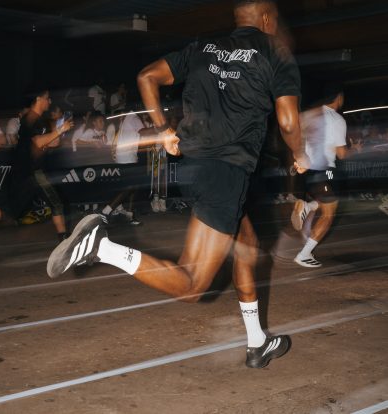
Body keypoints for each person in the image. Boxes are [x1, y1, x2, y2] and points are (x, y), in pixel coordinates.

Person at [47, 0, 309, 368]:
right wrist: (300, 154)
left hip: (194, 166)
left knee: (247, 245)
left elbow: (146, 77)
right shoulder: (275, 53)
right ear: (267, 18)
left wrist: (163, 129)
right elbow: (288, 121)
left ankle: (257, 342)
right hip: (226, 171)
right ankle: (101, 247)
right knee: (193, 285)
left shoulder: (203, 47)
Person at [0, 89, 73, 241]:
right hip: (32, 171)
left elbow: (51, 142)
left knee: (12, 212)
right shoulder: (31, 119)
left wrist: (59, 130)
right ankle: (64, 239)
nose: (50, 101)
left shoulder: (40, 120)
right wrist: (60, 130)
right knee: (56, 203)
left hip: (23, 172)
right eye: (47, 98)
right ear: (39, 99)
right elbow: (38, 142)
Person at [291, 87, 361, 267]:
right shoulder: (336, 119)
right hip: (326, 170)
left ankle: (308, 206)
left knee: (324, 201)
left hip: (307, 171)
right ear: (338, 97)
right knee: (328, 215)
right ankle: (304, 255)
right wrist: (355, 149)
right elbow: (341, 154)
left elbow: (294, 138)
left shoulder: (308, 115)